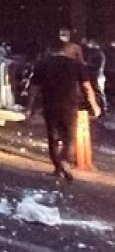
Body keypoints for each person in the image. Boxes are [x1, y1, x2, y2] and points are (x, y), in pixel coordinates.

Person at [29, 39, 102, 182]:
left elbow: (34, 87)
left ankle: (57, 168)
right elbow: (87, 87)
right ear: (74, 52)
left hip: (49, 105)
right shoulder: (76, 65)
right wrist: (94, 106)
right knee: (69, 138)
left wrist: (30, 107)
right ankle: (64, 162)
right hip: (69, 106)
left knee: (53, 137)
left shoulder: (43, 63)